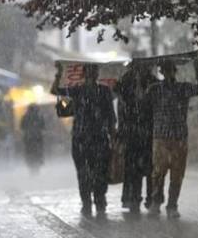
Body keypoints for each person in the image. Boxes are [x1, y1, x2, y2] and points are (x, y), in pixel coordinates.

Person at [51, 63, 116, 217]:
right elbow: (55, 92)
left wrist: (113, 137)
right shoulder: (78, 91)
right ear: (86, 74)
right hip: (83, 139)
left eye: (94, 72)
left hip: (96, 139)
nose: (93, 75)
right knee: (85, 172)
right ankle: (89, 202)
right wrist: (59, 74)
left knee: (97, 172)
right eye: (91, 72)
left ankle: (97, 201)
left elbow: (110, 117)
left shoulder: (103, 91)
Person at [146, 58, 198, 218]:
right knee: (158, 173)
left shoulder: (183, 88)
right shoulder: (154, 89)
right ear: (162, 72)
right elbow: (142, 103)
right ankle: (156, 202)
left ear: (174, 71)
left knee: (177, 174)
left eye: (170, 70)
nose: (168, 73)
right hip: (161, 137)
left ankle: (172, 205)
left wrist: (197, 69)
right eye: (165, 70)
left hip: (179, 137)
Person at [114, 62, 159, 213]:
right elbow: (121, 105)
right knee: (134, 169)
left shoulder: (152, 82)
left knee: (150, 168)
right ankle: (134, 198)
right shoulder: (126, 82)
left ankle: (151, 198)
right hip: (132, 133)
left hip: (148, 132)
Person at [20, 104, 46, 175]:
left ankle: (31, 168)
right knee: (37, 153)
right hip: (37, 138)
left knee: (29, 153)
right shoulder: (39, 117)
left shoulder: (25, 117)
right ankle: (36, 168)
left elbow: (22, 127)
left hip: (28, 139)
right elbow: (43, 127)